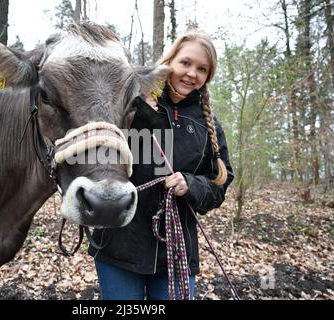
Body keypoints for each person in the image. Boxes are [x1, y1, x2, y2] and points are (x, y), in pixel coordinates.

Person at [88, 30, 234, 300]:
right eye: (186, 63)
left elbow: (219, 187)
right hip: (120, 244)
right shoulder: (132, 104)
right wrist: (142, 115)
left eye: (202, 69)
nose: (192, 73)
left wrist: (190, 184)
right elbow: (99, 156)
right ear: (170, 61)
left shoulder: (208, 126)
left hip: (177, 254)